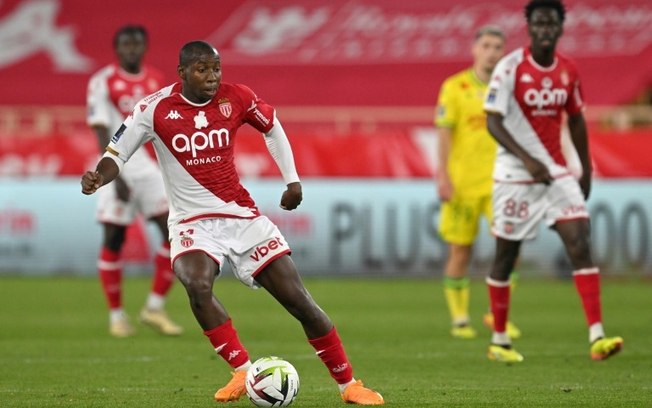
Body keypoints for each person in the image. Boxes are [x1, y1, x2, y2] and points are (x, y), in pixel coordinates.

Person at [81, 40, 384, 405]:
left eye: (216, 68)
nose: (211, 77)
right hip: (192, 221)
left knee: (299, 301)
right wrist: (99, 175)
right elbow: (117, 152)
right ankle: (242, 371)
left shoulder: (237, 97)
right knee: (196, 283)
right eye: (202, 69)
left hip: (241, 217)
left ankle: (349, 384)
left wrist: (292, 180)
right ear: (182, 73)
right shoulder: (153, 108)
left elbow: (272, 127)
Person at [483, 0, 623, 363]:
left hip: (557, 173)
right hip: (515, 176)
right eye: (539, 23)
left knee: (580, 240)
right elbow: (492, 121)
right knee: (506, 256)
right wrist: (526, 159)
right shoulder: (510, 67)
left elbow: (576, 119)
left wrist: (585, 170)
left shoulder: (568, 69)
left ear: (560, 28)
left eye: (552, 24)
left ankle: (597, 336)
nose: (545, 29)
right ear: (530, 27)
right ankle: (499, 340)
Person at [86, 25, 182, 337]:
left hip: (150, 170)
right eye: (126, 44)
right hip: (116, 167)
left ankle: (154, 308)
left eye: (136, 44)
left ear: (144, 47)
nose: (131, 49)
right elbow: (101, 128)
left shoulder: (156, 80)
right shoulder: (102, 81)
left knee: (173, 231)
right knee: (114, 238)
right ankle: (116, 316)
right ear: (117, 48)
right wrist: (114, 175)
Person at [435, 26, 521, 339]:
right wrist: (442, 175)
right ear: (475, 49)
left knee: (511, 249)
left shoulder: (510, 87)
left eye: (498, 46)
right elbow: (444, 134)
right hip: (463, 184)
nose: (492, 51)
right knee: (460, 250)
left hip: (503, 183)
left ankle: (495, 313)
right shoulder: (454, 87)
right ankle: (460, 318)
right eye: (486, 45)